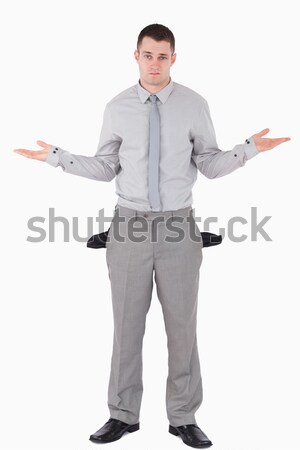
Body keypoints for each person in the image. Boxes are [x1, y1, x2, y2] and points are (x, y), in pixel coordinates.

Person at [14, 23, 291, 449]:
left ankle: (183, 417)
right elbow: (106, 167)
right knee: (126, 327)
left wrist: (250, 148)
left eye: (163, 56)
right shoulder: (117, 107)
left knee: (183, 328)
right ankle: (122, 415)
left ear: (173, 58)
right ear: (136, 55)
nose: (155, 63)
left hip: (180, 226)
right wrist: (56, 158)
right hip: (128, 226)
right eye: (148, 55)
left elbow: (211, 165)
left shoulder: (194, 105)